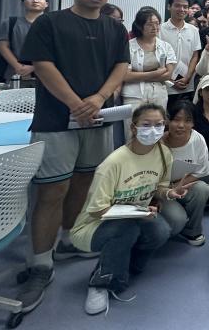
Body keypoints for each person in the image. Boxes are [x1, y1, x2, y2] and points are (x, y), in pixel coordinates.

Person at [16, 0, 129, 313]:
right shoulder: (50, 23)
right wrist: (74, 103)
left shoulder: (114, 27)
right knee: (52, 191)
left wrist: (98, 98)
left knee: (84, 183)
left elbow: (121, 66)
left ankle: (69, 240)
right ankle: (40, 263)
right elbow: (42, 65)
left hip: (97, 118)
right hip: (56, 121)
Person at [70, 104, 186, 315]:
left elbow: (159, 187)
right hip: (94, 226)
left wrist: (169, 193)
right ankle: (100, 282)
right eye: (146, 125)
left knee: (161, 230)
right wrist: (135, 212)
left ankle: (123, 264)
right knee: (126, 230)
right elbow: (96, 211)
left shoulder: (164, 154)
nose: (153, 130)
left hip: (134, 216)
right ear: (133, 128)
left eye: (159, 125)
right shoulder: (113, 163)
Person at [160, 100, 209, 245]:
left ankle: (192, 231)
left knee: (202, 188)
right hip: (161, 190)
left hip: (182, 183)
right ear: (167, 120)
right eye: (176, 119)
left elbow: (201, 171)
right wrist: (169, 189)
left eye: (188, 121)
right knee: (177, 220)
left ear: (193, 123)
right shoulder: (158, 143)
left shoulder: (197, 140)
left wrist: (177, 186)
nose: (181, 125)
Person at [121, 8, 176, 139]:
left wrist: (138, 75)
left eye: (157, 23)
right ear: (140, 26)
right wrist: (156, 73)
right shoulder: (128, 46)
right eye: (150, 24)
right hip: (134, 95)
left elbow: (168, 74)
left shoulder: (166, 46)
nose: (155, 27)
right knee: (132, 132)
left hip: (158, 94)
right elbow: (125, 76)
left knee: (156, 132)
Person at [0, 0, 49, 84]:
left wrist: (34, 67)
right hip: (16, 75)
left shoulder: (54, 24)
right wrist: (19, 67)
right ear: (22, 3)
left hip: (48, 76)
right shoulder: (10, 23)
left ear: (46, 4)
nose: (35, 1)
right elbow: (3, 47)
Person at [161, 0, 202, 107]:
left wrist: (187, 77)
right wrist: (171, 82)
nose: (182, 9)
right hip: (165, 86)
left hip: (187, 86)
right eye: (177, 6)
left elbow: (195, 56)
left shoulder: (193, 30)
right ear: (169, 7)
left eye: (185, 7)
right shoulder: (160, 29)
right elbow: (158, 59)